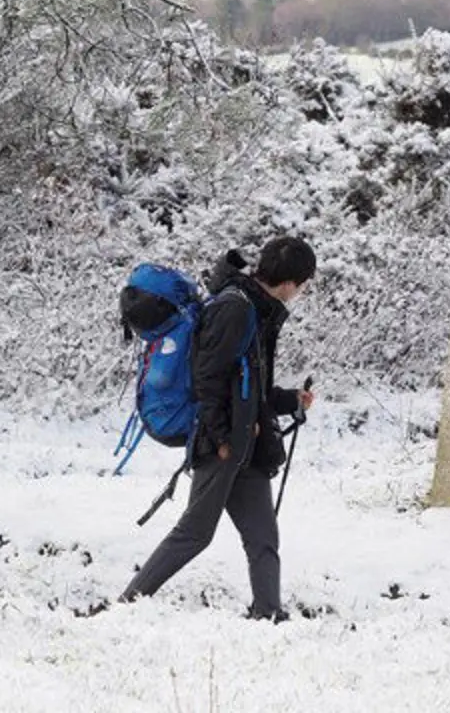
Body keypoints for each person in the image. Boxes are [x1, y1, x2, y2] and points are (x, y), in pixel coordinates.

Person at [120, 237, 317, 621]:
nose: (302, 292)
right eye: (304, 284)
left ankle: (268, 614)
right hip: (224, 444)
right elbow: (207, 378)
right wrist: (223, 437)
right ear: (292, 282)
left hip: (247, 442)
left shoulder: (254, 309)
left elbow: (246, 387)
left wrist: (287, 400)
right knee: (194, 533)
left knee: (263, 537)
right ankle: (127, 604)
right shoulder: (235, 310)